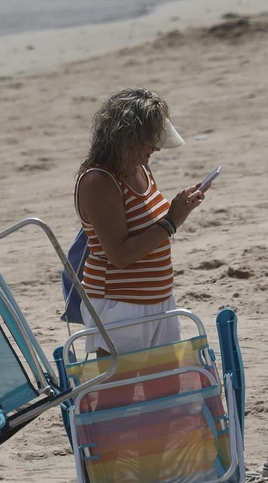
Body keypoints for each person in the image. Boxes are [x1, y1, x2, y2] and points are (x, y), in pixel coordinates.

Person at [74, 89, 205, 355]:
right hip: (119, 304)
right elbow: (120, 255)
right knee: (121, 392)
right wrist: (171, 221)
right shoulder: (99, 181)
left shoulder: (141, 169)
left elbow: (148, 230)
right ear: (127, 137)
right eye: (150, 139)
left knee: (165, 389)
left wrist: (180, 212)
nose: (156, 147)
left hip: (159, 299)